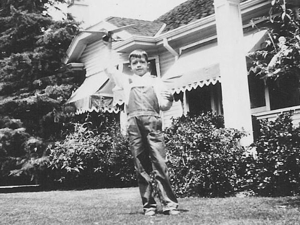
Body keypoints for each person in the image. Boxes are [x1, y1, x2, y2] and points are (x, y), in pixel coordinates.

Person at [106, 49, 179, 216]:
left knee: (160, 163)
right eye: (134, 63)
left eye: (141, 62)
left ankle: (170, 204)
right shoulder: (127, 81)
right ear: (130, 66)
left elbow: (164, 106)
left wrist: (170, 99)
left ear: (147, 65)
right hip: (134, 126)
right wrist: (108, 46)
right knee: (141, 165)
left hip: (153, 124)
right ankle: (149, 206)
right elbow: (110, 69)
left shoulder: (157, 82)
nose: (138, 65)